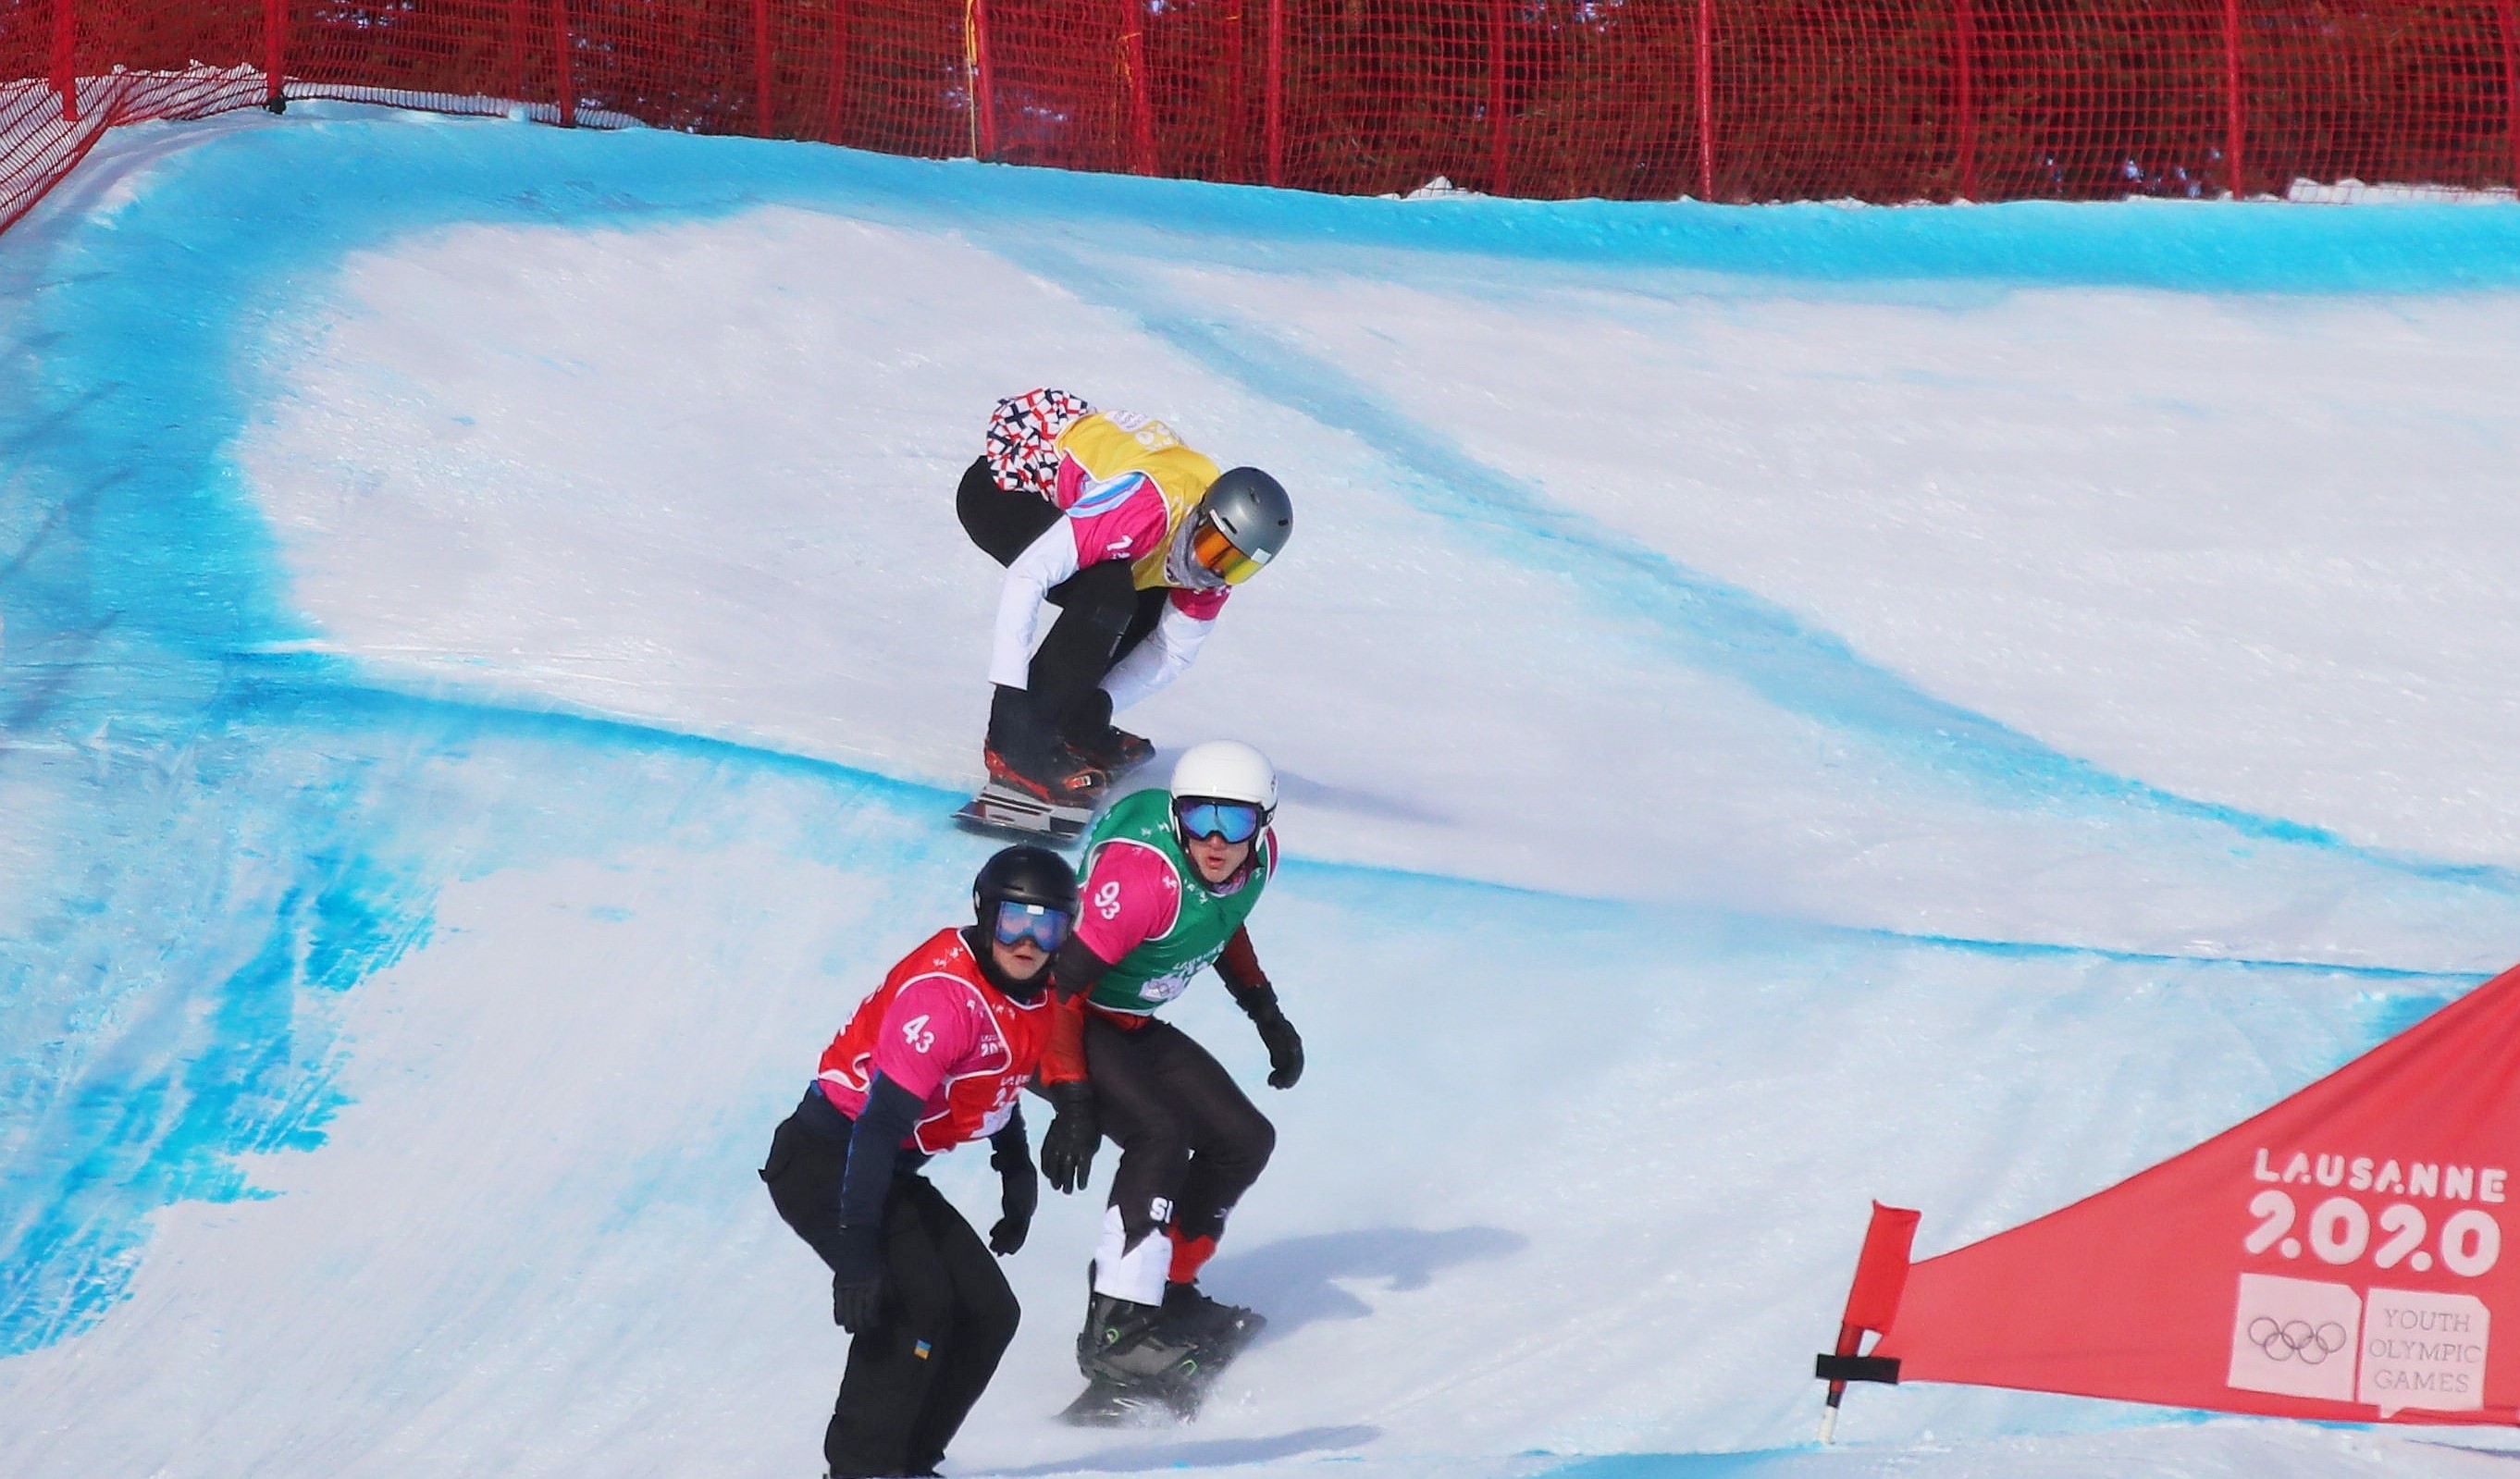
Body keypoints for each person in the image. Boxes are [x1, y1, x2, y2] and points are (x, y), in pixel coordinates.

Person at [759, 845, 1080, 1478]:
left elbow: (996, 1077)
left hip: (887, 1167)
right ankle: (858, 1469)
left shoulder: (1034, 992)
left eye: (1046, 924)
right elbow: (877, 1126)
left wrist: (1015, 1168)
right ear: (987, 914)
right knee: (912, 1302)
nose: (1027, 938)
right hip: (827, 1158)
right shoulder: (943, 998)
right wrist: (856, 1254)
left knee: (990, 1311)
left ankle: (908, 1462)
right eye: (1015, 917)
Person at [1032, 739, 1306, 1393]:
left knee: (1243, 1139)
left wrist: (1265, 1012)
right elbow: (1057, 991)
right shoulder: (1140, 885)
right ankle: (1114, 1336)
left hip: (1123, 1019)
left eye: (1234, 822)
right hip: (1054, 1014)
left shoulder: (1255, 862)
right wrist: (1072, 1097)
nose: (1215, 840)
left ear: (1263, 824)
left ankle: (1168, 1294)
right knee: (1159, 1134)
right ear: (1179, 817)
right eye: (1199, 819)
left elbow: (1222, 918)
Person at [957, 388, 1294, 807]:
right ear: (1203, 515)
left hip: (1098, 512)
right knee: (1108, 593)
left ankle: (1067, 723)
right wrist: (1011, 697)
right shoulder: (1150, 506)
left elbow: (1173, 649)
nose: (1212, 569)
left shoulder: (1213, 571)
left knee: (1154, 602)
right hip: (1003, 491)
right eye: (1211, 548)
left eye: (1236, 566)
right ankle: (1016, 744)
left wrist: (1098, 705)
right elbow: (1031, 574)